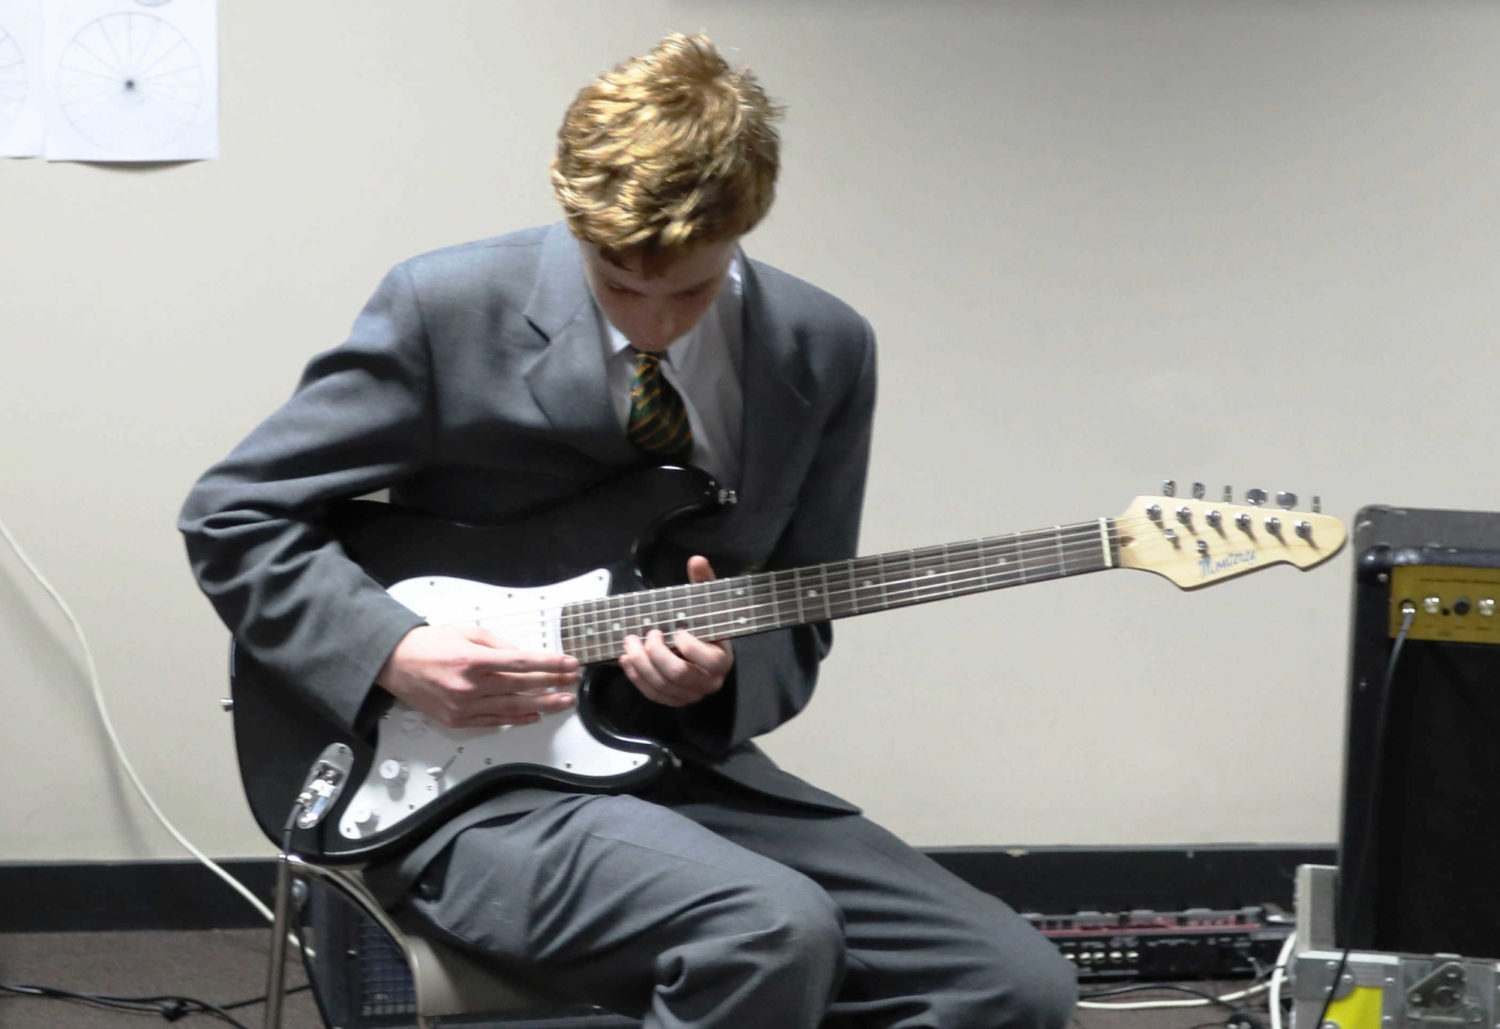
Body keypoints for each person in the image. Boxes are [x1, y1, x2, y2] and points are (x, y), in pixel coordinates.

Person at [180, 33, 1076, 1028]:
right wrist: (393, 651)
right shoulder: (447, 307)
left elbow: (803, 605)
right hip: (453, 786)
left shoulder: (822, 348)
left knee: (1011, 983)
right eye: (617, 285)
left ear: (744, 225)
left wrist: (718, 674)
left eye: (688, 291)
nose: (653, 324)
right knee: (766, 930)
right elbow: (236, 513)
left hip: (676, 765)